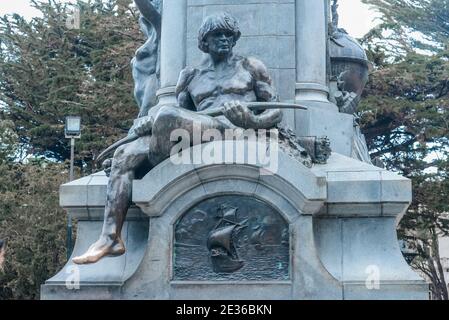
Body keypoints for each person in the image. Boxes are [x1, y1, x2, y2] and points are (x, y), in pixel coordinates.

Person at [73, 13, 283, 265]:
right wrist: (147, 124)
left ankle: (156, 162)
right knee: (124, 155)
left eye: (229, 34)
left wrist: (252, 121)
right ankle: (110, 237)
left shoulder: (251, 66)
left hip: (233, 131)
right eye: (218, 34)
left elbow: (276, 110)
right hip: (196, 133)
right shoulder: (191, 75)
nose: (225, 39)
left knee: (166, 115)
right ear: (204, 40)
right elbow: (178, 115)